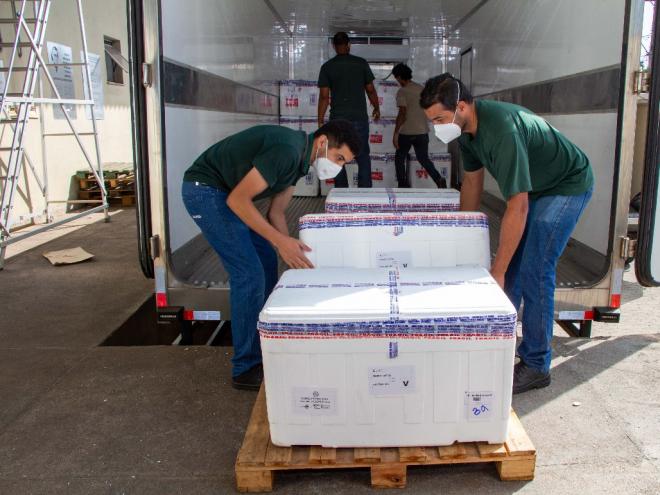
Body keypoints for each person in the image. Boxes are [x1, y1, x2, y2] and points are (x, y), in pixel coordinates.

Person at [420, 74, 594, 394]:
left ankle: (537, 364)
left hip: (566, 185)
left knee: (534, 270)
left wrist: (497, 271)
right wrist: (461, 237)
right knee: (510, 266)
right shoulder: (467, 134)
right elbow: (471, 184)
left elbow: (518, 206)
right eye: (432, 122)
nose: (437, 127)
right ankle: (496, 344)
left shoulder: (502, 131)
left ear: (461, 107)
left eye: (440, 119)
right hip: (538, 187)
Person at [181, 120, 360, 390]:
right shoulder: (287, 151)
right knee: (248, 274)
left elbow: (276, 213)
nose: (339, 167)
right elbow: (237, 201)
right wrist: (280, 242)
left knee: (266, 257)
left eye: (344, 163)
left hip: (225, 193)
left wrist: (291, 250)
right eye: (339, 158)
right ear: (322, 142)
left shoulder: (300, 163)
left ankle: (265, 338)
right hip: (204, 190)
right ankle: (245, 367)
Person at [317, 31, 380, 188]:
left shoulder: (327, 67)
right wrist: (376, 107)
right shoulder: (361, 63)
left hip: (337, 121)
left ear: (334, 46)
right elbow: (370, 89)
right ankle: (365, 194)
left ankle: (341, 194)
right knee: (363, 156)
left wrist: (320, 120)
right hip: (359, 119)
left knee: (337, 156)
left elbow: (324, 97)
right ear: (348, 45)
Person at [392, 63, 447, 189]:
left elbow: (402, 113)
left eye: (397, 78)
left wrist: (395, 134)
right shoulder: (422, 89)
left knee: (400, 158)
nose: (397, 81)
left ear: (399, 77)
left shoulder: (402, 91)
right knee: (423, 158)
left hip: (406, 132)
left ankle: (403, 186)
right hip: (422, 132)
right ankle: (439, 179)